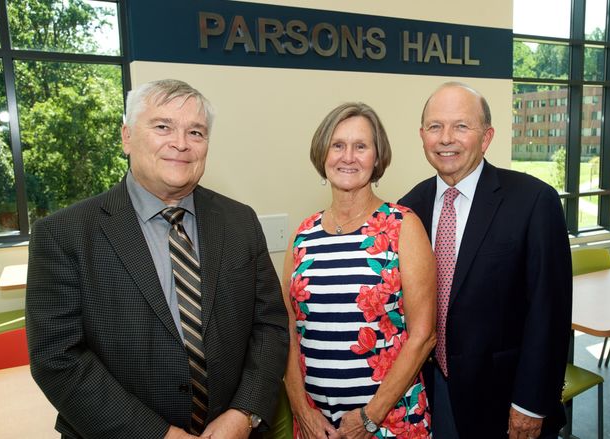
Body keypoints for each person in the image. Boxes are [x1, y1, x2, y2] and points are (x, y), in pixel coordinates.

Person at [26, 79, 290, 439]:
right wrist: (156, 434)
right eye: (163, 126)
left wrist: (245, 412)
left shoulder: (240, 220)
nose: (180, 144)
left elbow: (269, 326)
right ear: (126, 137)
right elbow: (58, 359)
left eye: (195, 132)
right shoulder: (65, 234)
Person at [399, 82, 572, 439]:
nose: (446, 138)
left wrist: (531, 404)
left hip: (505, 400)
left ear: (487, 136)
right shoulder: (407, 209)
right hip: (430, 393)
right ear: (422, 136)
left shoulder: (533, 201)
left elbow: (549, 313)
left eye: (461, 126)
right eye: (435, 126)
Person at [281, 103, 436, 438]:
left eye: (361, 146)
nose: (347, 157)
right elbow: (286, 332)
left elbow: (423, 337)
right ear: (322, 153)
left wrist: (369, 418)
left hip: (388, 423)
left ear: (377, 158)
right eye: (338, 145)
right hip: (315, 426)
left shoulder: (403, 227)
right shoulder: (302, 236)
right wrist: (302, 411)